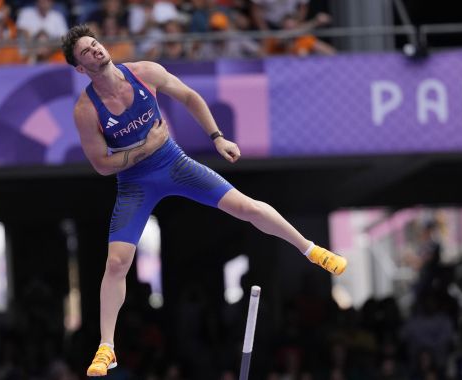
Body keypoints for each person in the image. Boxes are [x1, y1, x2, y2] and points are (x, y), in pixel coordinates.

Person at [60, 24, 347, 377]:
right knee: (117, 262)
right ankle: (107, 347)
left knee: (245, 206)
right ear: (79, 68)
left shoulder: (144, 72)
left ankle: (310, 249)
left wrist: (217, 138)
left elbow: (191, 98)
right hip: (135, 184)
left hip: (174, 164)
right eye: (86, 52)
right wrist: (144, 148)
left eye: (96, 44)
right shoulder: (86, 110)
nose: (96, 51)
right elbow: (103, 165)